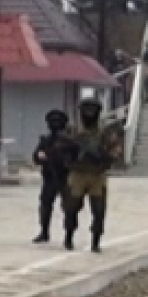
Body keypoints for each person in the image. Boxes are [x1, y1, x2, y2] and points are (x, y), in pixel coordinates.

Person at [59, 96, 122, 253]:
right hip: (77, 173)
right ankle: (68, 237)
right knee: (71, 208)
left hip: (97, 175)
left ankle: (95, 241)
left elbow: (115, 151)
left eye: (92, 110)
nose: (89, 114)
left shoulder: (105, 132)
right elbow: (61, 148)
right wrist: (72, 152)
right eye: (86, 110)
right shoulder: (72, 131)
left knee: (99, 210)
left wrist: (103, 157)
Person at [31, 109, 71, 244]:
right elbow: (36, 156)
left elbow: (75, 157)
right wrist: (41, 156)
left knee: (69, 207)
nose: (55, 125)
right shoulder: (46, 141)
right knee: (45, 205)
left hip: (65, 178)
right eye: (52, 122)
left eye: (58, 122)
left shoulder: (69, 141)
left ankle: (68, 235)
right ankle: (44, 231)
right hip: (49, 178)